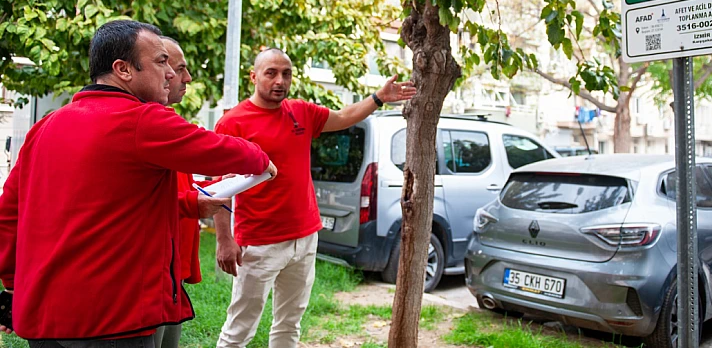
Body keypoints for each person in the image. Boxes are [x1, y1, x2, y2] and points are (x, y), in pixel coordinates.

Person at [0, 20, 277, 346]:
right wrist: (262, 160)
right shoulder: (141, 118)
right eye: (161, 62)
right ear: (123, 70)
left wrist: (12, 285)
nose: (172, 74)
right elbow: (223, 150)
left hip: (44, 318)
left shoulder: (45, 127)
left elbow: (9, 213)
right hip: (112, 319)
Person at [214, 48, 415, 348]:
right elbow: (218, 188)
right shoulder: (233, 123)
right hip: (258, 242)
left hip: (305, 238)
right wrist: (223, 239)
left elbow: (344, 116)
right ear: (254, 76)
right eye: (271, 73)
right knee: (240, 328)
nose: (280, 80)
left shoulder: (301, 112)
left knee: (290, 324)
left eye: (286, 73)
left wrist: (378, 98)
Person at [152, 36, 216, 348]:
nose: (185, 78)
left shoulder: (169, 122)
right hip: (148, 281)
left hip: (171, 275)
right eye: (178, 68)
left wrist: (201, 193)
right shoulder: (143, 125)